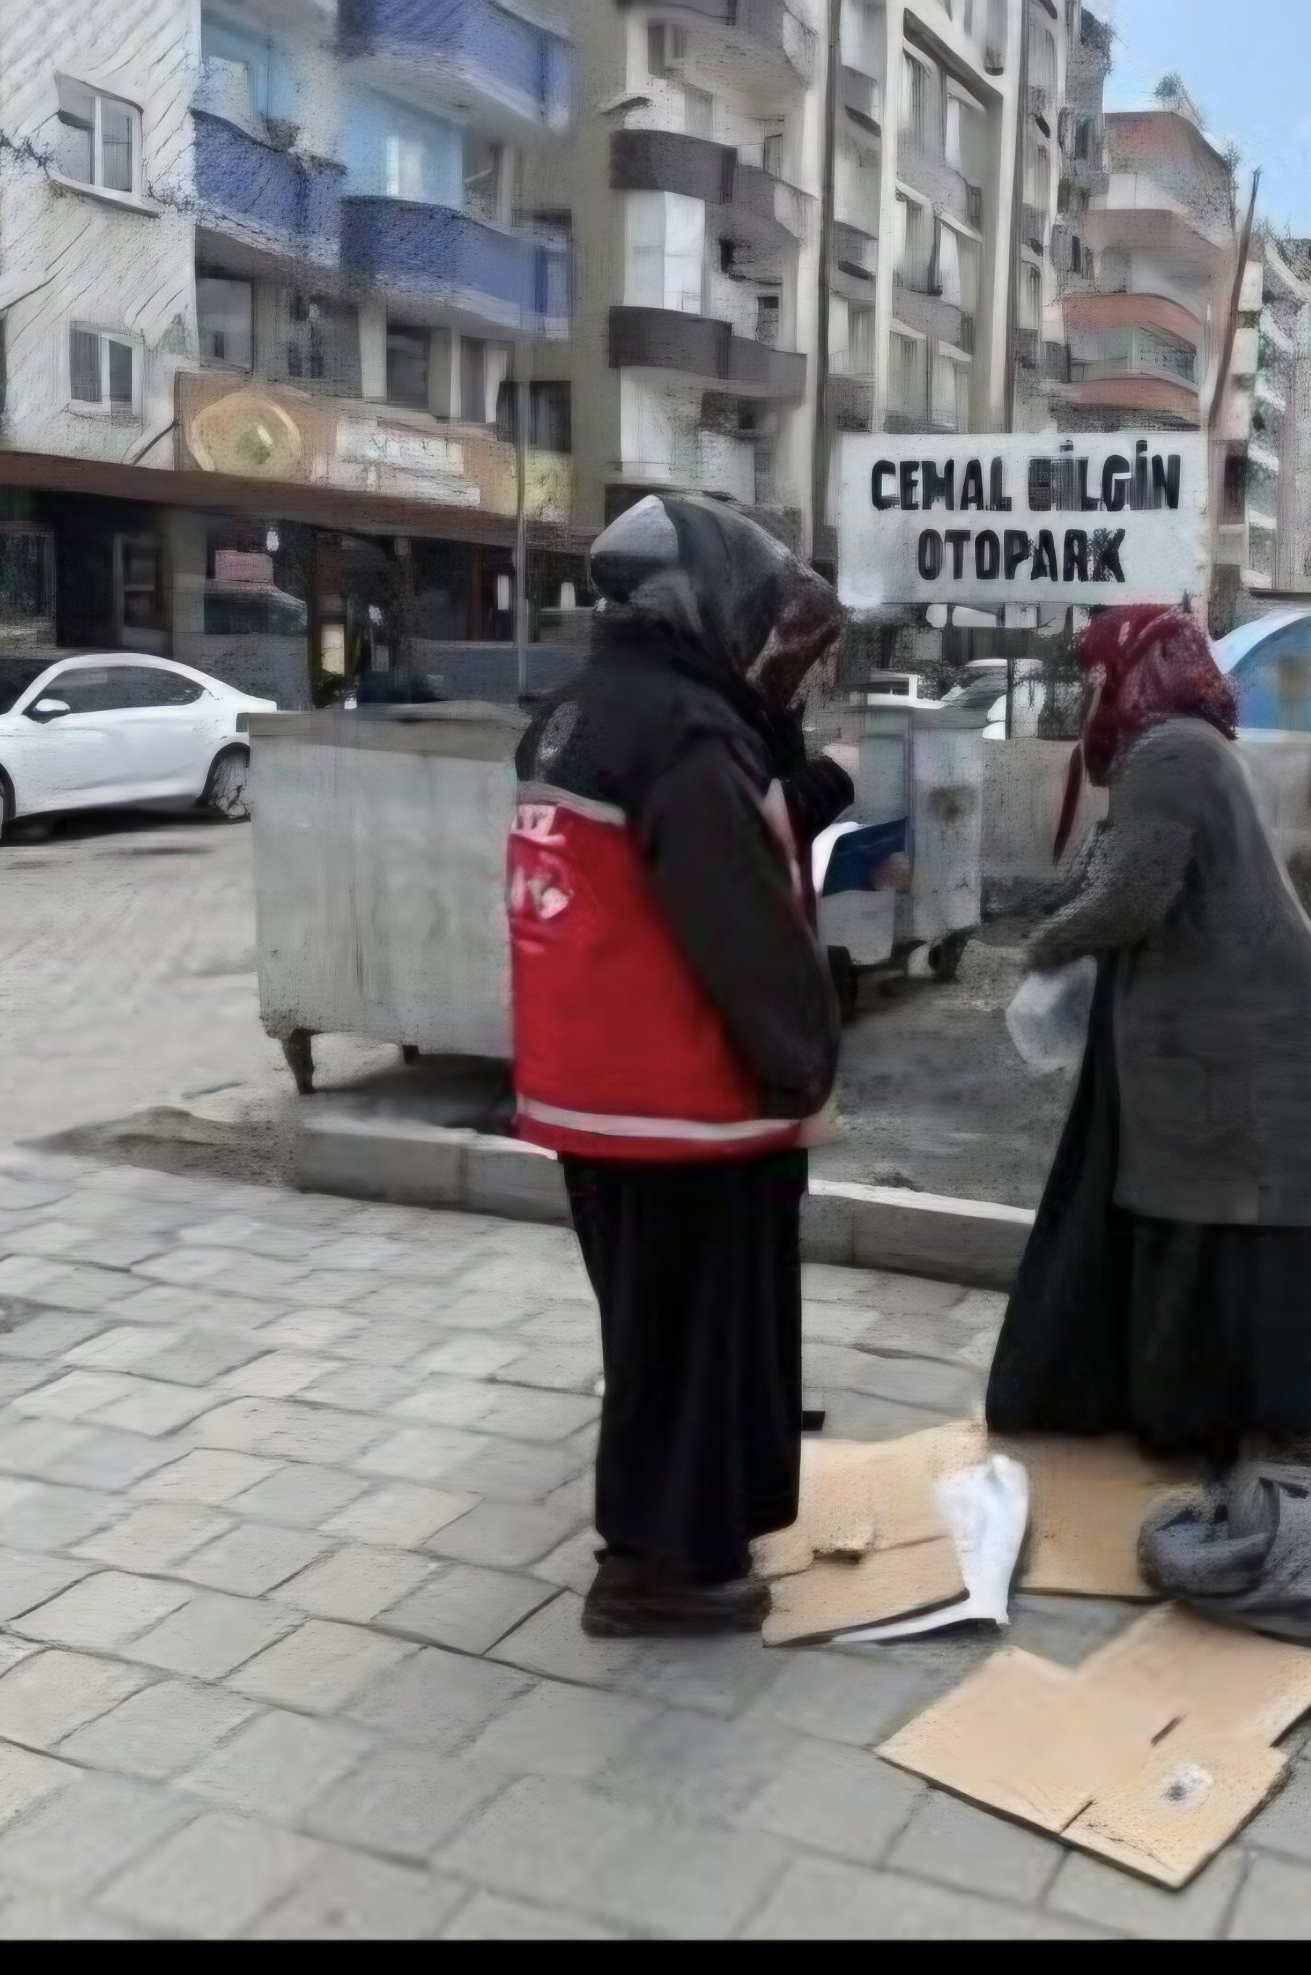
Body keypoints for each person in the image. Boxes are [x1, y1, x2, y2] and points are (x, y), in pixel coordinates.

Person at [510, 495, 851, 1635]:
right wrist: (802, 1063)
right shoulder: (685, 732)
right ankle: (658, 1569)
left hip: (594, 1087)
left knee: (651, 1336)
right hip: (679, 1094)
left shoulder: (576, 710)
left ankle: (684, 1536)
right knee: (691, 1341)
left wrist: (779, 707)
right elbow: (740, 921)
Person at [984, 603, 1311, 1459]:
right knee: (1234, 1204)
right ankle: (1258, 1408)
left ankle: (1231, 1411)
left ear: (1138, 670)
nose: (1089, 690)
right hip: (1243, 1008)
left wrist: (1042, 945)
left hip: (1234, 1019)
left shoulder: (1168, 753)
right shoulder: (1192, 744)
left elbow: (1132, 897)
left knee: (1218, 1203)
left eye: (1097, 671)